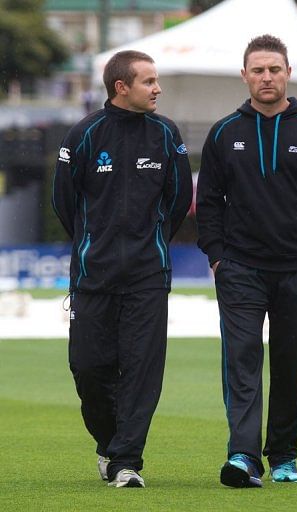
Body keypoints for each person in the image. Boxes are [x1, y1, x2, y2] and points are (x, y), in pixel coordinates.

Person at [196, 34, 297, 488]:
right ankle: (242, 455)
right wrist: (218, 257)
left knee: (288, 363)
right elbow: (208, 203)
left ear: (288, 73)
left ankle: (283, 455)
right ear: (244, 75)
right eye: (258, 70)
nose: (266, 77)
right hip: (239, 269)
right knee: (241, 361)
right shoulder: (224, 132)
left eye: (274, 69)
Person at [52, 50, 192, 488]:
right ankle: (111, 445)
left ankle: (127, 461)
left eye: (156, 80)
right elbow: (64, 203)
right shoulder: (84, 134)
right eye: (148, 81)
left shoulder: (166, 134)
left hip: (148, 277)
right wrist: (98, 242)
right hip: (93, 276)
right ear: (122, 87)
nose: (157, 88)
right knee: (88, 368)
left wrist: (148, 243)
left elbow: (178, 200)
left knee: (141, 370)